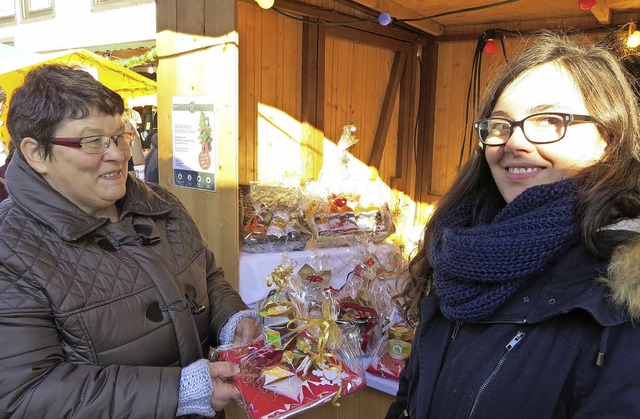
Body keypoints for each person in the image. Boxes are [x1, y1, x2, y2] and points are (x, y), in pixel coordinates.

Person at [387, 32, 640, 418]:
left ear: (609, 138)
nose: (513, 142)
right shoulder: (461, 248)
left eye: (549, 120)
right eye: (500, 125)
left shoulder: (624, 295)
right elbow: (410, 396)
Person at [0, 63, 261, 417]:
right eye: (93, 141)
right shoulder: (11, 249)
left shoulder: (160, 202)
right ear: (36, 153)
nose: (119, 154)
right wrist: (179, 391)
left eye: (120, 136)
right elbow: (25, 395)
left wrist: (233, 320)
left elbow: (207, 275)